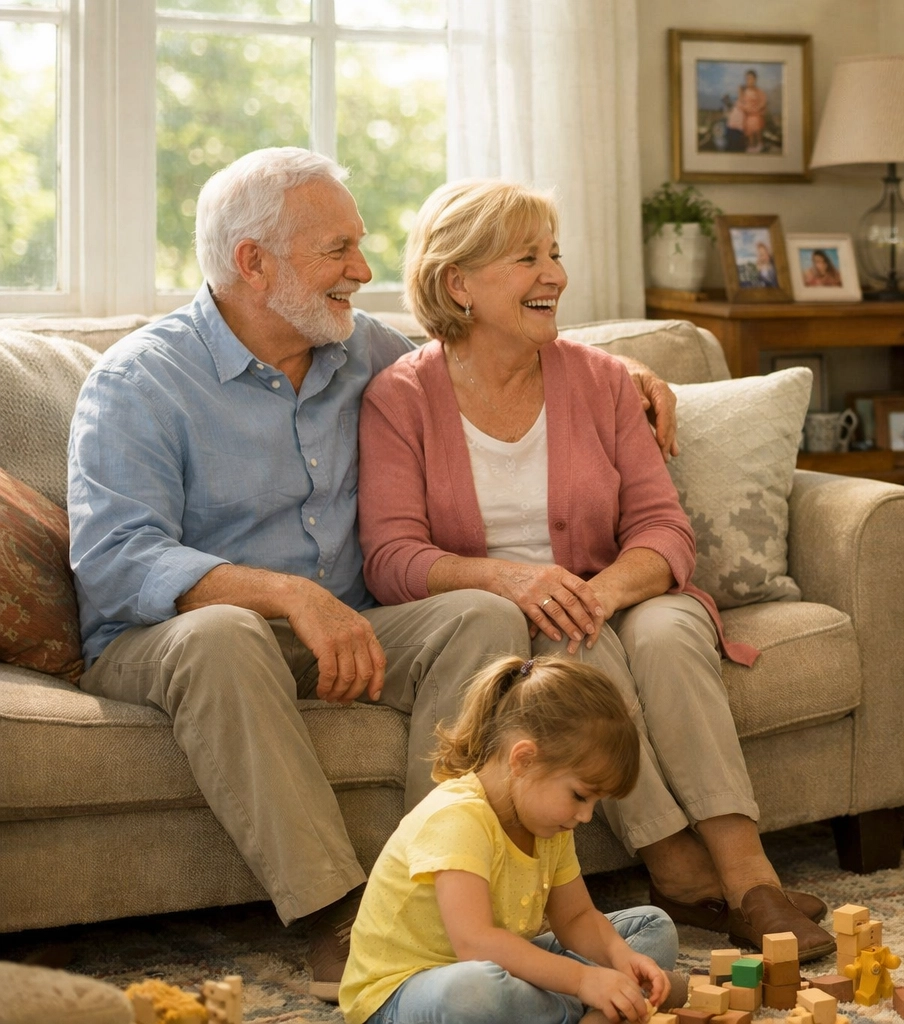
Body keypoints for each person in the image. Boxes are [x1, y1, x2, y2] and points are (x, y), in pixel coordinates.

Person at [66, 147, 681, 1004]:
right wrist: (290, 594)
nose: (361, 271)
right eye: (338, 251)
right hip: (172, 637)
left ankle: (429, 891)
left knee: (477, 611)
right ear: (254, 263)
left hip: (345, 627)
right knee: (224, 633)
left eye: (359, 247)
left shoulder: (360, 347)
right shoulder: (139, 381)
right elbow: (117, 557)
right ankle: (338, 916)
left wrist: (629, 378)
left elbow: (498, 342)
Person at [357, 178, 836, 960]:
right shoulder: (398, 400)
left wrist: (604, 587)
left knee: (667, 634)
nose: (554, 275)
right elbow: (392, 558)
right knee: (570, 647)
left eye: (555, 254)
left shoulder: (606, 381)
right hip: (515, 612)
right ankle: (674, 864)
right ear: (458, 283)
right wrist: (513, 581)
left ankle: (750, 880)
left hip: (625, 589)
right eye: (527, 259)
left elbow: (662, 529)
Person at [340, 654, 686, 1024]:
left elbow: (576, 917)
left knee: (653, 927)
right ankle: (595, 1009)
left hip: (499, 967)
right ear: (523, 760)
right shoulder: (458, 816)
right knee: (474, 992)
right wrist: (583, 980)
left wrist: (620, 957)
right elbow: (475, 944)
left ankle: (593, 1006)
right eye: (580, 796)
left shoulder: (549, 824)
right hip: (404, 993)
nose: (585, 816)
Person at [736, 69, 769, 153]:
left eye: (751, 79)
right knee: (748, 129)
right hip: (747, 114)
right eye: (747, 79)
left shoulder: (758, 91)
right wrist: (740, 93)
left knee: (755, 123)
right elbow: (740, 102)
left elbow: (763, 101)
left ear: (755, 79)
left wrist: (758, 108)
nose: (749, 81)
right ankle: (751, 145)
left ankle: (760, 144)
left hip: (756, 114)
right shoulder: (745, 91)